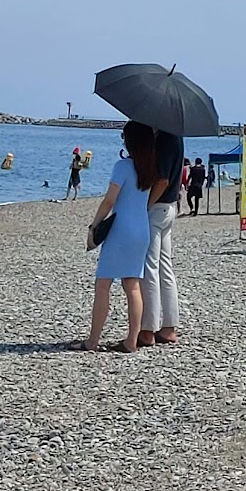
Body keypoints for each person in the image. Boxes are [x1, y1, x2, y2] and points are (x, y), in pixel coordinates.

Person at [72, 121, 156, 353]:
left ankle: (93, 340)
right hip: (141, 228)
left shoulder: (123, 166)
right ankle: (131, 340)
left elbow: (109, 200)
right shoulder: (150, 166)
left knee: (103, 284)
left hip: (121, 229)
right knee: (132, 285)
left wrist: (95, 225)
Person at [142, 131, 184, 347]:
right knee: (165, 268)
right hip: (169, 207)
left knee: (151, 268)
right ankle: (168, 325)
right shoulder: (176, 136)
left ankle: (148, 328)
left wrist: (145, 205)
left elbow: (163, 180)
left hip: (158, 208)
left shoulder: (167, 137)